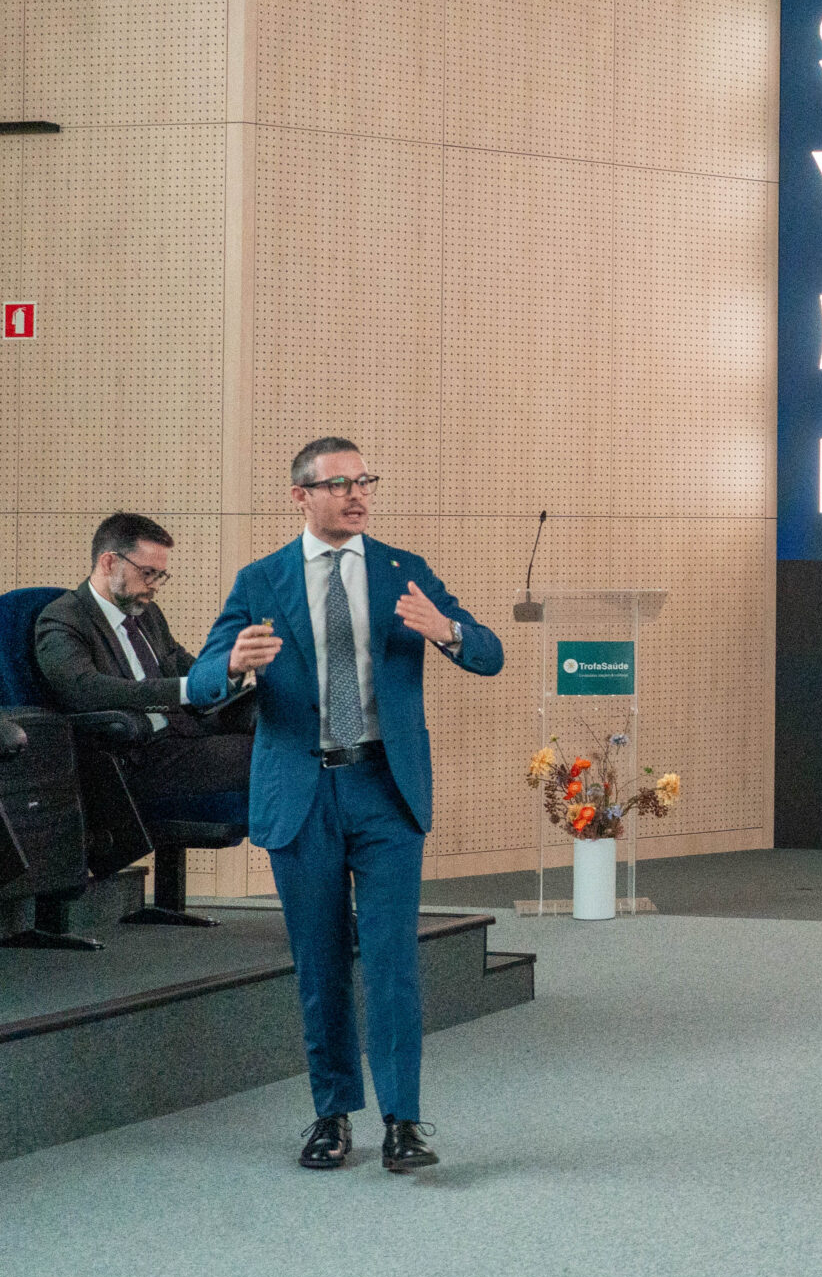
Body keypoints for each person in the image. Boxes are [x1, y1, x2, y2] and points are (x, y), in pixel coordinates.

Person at [185, 439, 504, 1171]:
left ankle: (403, 1121)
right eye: (340, 484)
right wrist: (231, 665)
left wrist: (448, 631)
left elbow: (489, 653)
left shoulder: (402, 570)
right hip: (301, 794)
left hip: (385, 789)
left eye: (365, 481)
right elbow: (201, 682)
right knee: (320, 963)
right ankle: (331, 1114)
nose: (358, 494)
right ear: (300, 495)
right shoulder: (261, 580)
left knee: (392, 962)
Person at [32, 512, 254, 807]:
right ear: (109, 563)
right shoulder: (63, 618)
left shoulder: (147, 613)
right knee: (268, 753)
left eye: (160, 575)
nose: (155, 585)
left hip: (185, 733)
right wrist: (188, 689)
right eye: (148, 573)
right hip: (134, 756)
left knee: (280, 719)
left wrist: (230, 669)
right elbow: (86, 690)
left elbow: (185, 666)